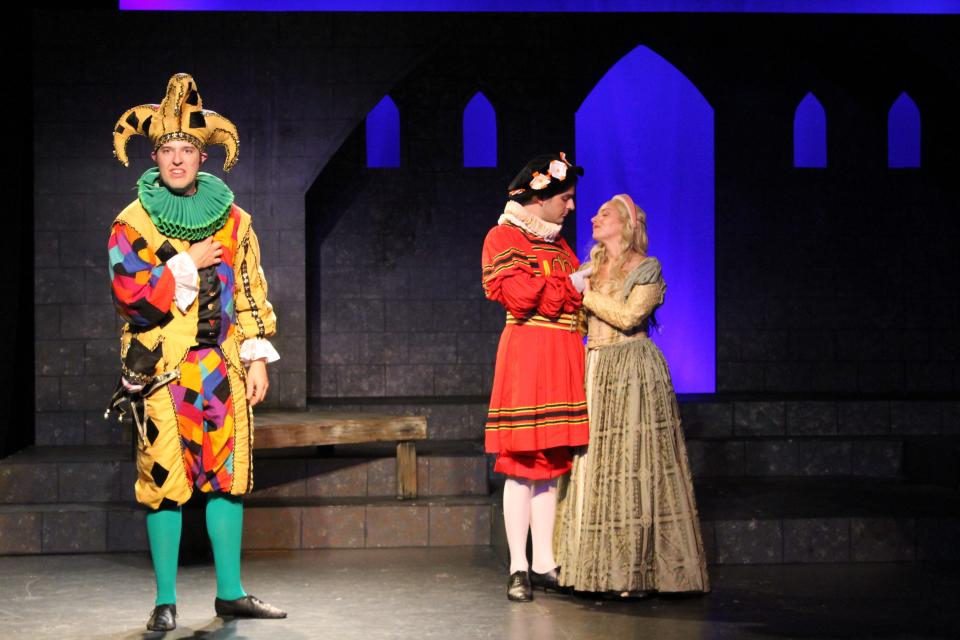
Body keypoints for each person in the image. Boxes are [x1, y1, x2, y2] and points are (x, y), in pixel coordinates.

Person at [107, 73, 286, 631]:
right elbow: (130, 296)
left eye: (187, 149)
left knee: (227, 477)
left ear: (202, 155)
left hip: (220, 368)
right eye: (167, 149)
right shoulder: (132, 222)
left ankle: (230, 592)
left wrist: (256, 356)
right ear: (154, 154)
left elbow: (252, 291)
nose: (177, 159)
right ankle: (165, 601)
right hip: (162, 372)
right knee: (163, 480)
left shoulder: (235, 220)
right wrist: (187, 265)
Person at [555, 194, 709, 597]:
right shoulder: (590, 268)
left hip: (633, 370)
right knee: (597, 467)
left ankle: (635, 573)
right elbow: (578, 321)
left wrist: (583, 293)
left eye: (603, 214)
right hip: (597, 370)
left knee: (634, 465)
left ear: (624, 224)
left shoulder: (646, 267)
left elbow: (628, 317)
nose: (592, 218)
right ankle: (594, 570)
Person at [482, 152, 589, 601]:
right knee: (522, 465)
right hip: (528, 354)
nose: (570, 207)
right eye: (564, 198)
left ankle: (544, 561)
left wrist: (574, 290)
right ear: (540, 196)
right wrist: (572, 287)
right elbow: (523, 296)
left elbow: (574, 295)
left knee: (549, 467)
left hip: (562, 353)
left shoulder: (559, 246)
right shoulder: (503, 236)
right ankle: (518, 567)